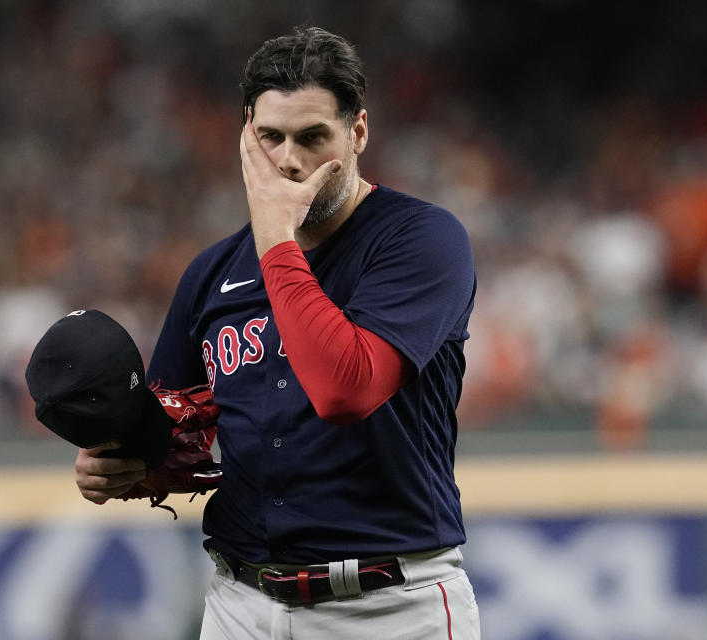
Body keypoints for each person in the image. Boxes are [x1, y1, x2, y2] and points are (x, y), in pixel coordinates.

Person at [74, 26, 480, 639]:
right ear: (247, 136)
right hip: (242, 602)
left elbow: (346, 390)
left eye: (313, 136)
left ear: (358, 131)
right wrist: (124, 467)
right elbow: (177, 431)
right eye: (271, 137)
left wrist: (275, 238)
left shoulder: (421, 240)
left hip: (389, 606)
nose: (289, 160)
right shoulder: (211, 273)